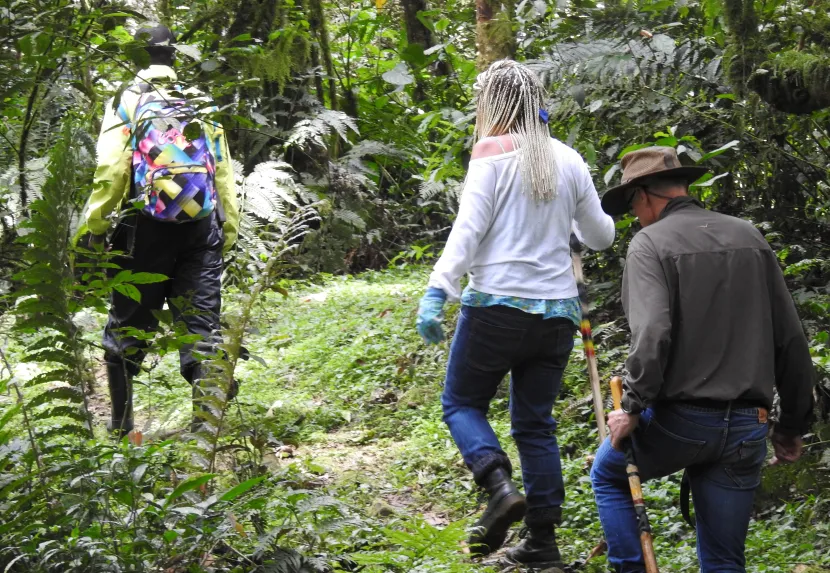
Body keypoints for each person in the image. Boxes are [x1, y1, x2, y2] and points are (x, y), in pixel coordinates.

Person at [416, 60, 615, 568]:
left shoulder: (490, 154)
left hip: (497, 309)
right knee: (535, 425)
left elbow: (468, 230)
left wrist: (439, 288)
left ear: (495, 106)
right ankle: (543, 545)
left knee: (461, 404)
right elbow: (601, 237)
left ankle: (498, 486)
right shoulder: (568, 159)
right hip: (556, 318)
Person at [590, 146, 815, 572]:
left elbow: (653, 332)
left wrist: (632, 407)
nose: (635, 216)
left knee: (608, 476)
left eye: (633, 206)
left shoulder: (649, 243)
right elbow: (790, 339)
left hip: (681, 422)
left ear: (643, 194)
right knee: (725, 560)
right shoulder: (749, 235)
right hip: (749, 425)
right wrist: (792, 425)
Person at [81, 24, 239, 436]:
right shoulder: (200, 102)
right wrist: (229, 230)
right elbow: (222, 172)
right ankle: (206, 430)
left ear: (138, 57)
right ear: (175, 57)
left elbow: (112, 169)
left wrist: (96, 225)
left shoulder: (127, 101)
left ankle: (120, 427)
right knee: (201, 325)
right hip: (201, 227)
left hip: (144, 228)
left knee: (128, 321)